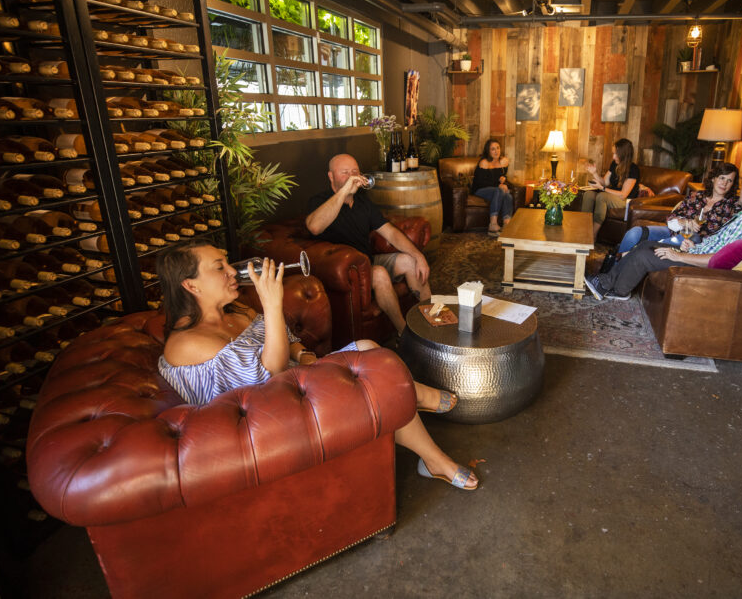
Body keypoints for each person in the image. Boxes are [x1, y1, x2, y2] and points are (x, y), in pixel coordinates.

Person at [156, 240, 478, 490]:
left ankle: (424, 433)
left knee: (369, 350)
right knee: (372, 378)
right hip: (264, 423)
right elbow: (266, 377)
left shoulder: (234, 312)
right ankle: (425, 428)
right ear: (191, 285)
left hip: (290, 387)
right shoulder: (187, 344)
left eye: (228, 262)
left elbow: (282, 341)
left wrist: (302, 355)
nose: (231, 271)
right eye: (219, 267)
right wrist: (271, 303)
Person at [585, 168, 742, 301]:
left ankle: (614, 288)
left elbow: (720, 260)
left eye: (735, 182)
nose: (731, 186)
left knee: (645, 254)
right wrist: (693, 246)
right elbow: (721, 244)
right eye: (722, 178)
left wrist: (680, 255)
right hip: (696, 248)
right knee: (646, 245)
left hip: (702, 264)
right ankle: (608, 283)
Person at [305, 153, 431, 333]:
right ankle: (404, 335)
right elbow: (314, 227)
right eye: (345, 173)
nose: (352, 177)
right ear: (331, 176)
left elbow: (391, 233)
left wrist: (418, 255)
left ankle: (434, 320)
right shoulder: (319, 201)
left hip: (368, 261)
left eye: (355, 171)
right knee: (379, 273)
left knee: (410, 261)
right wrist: (344, 191)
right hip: (346, 273)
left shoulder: (363, 202)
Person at [617, 163, 741, 254]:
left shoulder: (732, 206)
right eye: (722, 178)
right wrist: (685, 222)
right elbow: (671, 218)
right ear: (714, 178)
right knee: (634, 233)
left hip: (694, 242)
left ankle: (641, 250)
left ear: (733, 184)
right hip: (674, 232)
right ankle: (614, 266)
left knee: (692, 236)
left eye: (729, 180)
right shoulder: (696, 196)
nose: (724, 183)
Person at [579, 138, 652, 237]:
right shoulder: (614, 164)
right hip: (611, 195)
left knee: (602, 196)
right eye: (613, 153)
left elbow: (623, 195)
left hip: (625, 200)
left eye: (615, 154)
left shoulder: (633, 169)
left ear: (623, 154)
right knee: (589, 195)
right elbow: (605, 182)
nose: (613, 157)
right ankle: (582, 231)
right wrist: (595, 173)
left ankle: (592, 236)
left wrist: (602, 189)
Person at [472, 138, 514, 235]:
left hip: (494, 189)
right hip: (479, 189)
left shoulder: (503, 162)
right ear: (488, 151)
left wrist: (504, 180)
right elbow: (480, 182)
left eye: (498, 148)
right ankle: (493, 224)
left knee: (508, 195)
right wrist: (499, 185)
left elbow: (502, 176)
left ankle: (506, 223)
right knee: (499, 191)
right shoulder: (484, 162)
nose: (496, 151)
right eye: (493, 149)